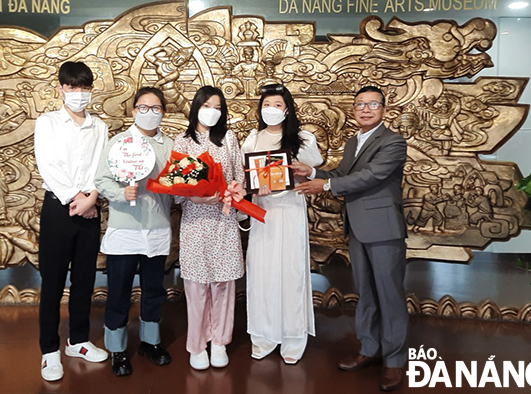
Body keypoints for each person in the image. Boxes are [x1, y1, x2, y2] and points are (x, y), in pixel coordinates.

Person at [293, 86, 408, 392]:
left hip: (384, 228)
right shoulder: (353, 141)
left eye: (373, 104)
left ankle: (395, 361)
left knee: (390, 294)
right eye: (360, 105)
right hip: (357, 227)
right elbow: (343, 172)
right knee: (366, 293)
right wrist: (313, 170)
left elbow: (370, 176)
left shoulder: (393, 142)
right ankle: (369, 349)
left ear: (384, 109)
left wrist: (325, 186)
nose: (366, 109)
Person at [34, 61, 109, 382]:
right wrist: (75, 199)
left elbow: (101, 165)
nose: (78, 93)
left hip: (89, 209)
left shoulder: (100, 126)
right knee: (52, 283)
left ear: (91, 89)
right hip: (57, 209)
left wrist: (91, 198)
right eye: (71, 86)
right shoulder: (48, 122)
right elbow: (47, 164)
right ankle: (49, 350)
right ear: (60, 87)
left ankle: (78, 340)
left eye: (83, 86)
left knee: (84, 279)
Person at [240, 83, 323, 364]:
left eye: (277, 105)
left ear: (286, 109)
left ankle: (292, 337)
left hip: (289, 209)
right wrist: (253, 189)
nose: (271, 110)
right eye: (266, 105)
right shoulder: (252, 140)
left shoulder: (302, 139)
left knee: (291, 271)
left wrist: (300, 173)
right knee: (261, 272)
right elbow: (245, 180)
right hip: (263, 211)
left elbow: (312, 175)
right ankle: (263, 336)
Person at [94, 87, 174, 377]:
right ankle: (117, 347)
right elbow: (101, 179)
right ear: (133, 110)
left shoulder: (170, 146)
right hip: (124, 229)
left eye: (155, 108)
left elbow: (179, 186)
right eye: (143, 107)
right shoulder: (119, 142)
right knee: (119, 292)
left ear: (163, 112)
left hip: (157, 229)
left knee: (153, 290)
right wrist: (119, 192)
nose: (149, 113)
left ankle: (150, 342)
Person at [173, 86, 245, 370]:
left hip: (224, 221)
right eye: (206, 105)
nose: (211, 110)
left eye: (217, 106)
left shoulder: (228, 138)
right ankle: (197, 344)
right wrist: (194, 195)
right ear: (196, 108)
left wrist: (234, 189)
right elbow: (176, 190)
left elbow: (239, 175)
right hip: (194, 222)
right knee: (196, 285)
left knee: (224, 285)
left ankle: (219, 342)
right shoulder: (183, 141)